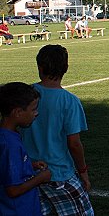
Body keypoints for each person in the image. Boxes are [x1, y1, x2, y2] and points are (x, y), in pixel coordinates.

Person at [21, 45, 94, 216]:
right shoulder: (70, 101)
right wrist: (83, 171)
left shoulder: (25, 95)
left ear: (40, 67)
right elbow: (74, 143)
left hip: (28, 172)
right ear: (66, 68)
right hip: (59, 174)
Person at [0, 82, 52, 215]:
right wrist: (41, 178)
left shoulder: (8, 135)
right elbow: (13, 190)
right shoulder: (10, 143)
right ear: (18, 112)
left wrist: (30, 165)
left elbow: (6, 169)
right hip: (18, 210)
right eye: (33, 109)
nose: (36, 113)